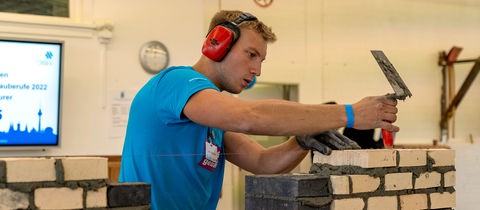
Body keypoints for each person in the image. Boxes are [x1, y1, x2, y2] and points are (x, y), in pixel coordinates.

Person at [119, 10, 399, 210]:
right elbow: (249, 117)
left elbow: (262, 163)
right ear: (216, 44)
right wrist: (349, 113)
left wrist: (300, 142)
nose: (257, 70)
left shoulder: (211, 117)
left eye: (261, 60)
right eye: (251, 55)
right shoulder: (176, 82)